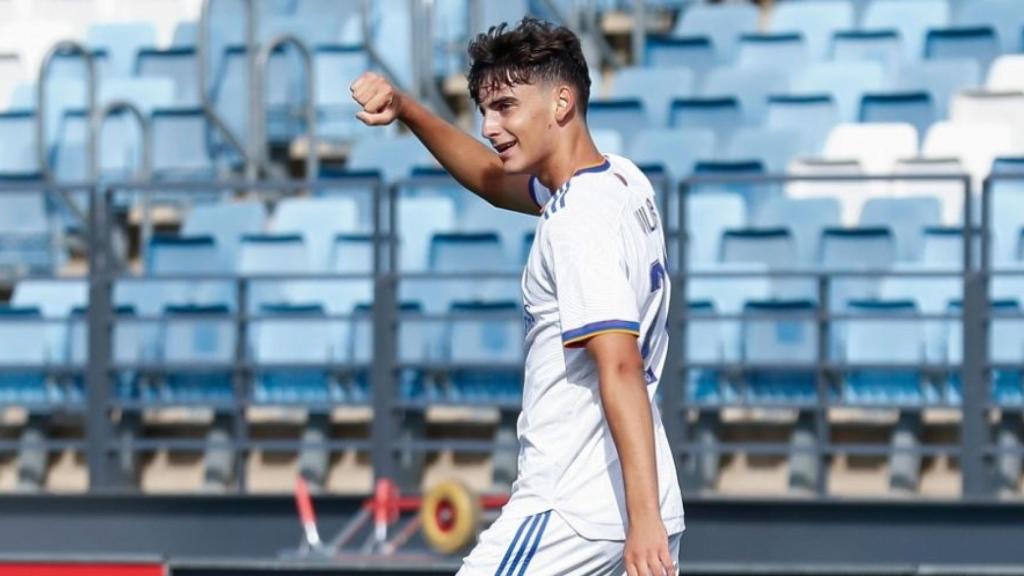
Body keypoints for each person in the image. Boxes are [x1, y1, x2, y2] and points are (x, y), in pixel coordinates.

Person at [350, 17, 684, 576]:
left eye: (505, 106)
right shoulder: (622, 181)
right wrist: (408, 110)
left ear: (561, 102)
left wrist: (642, 519)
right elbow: (488, 178)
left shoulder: (579, 219)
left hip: (572, 510)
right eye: (483, 110)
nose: (488, 125)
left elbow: (620, 364)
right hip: (627, 507)